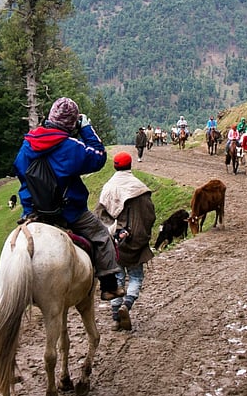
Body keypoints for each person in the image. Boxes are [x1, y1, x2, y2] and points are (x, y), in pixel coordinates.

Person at [13, 97, 125, 301]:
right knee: (101, 235)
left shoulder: (28, 143)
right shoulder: (70, 146)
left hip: (33, 211)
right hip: (68, 212)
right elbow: (99, 156)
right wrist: (86, 130)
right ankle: (109, 285)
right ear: (73, 123)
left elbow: (19, 168)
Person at [93, 152, 155, 331]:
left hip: (114, 244)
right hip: (136, 243)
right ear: (130, 165)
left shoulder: (108, 188)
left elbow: (100, 216)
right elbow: (149, 215)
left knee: (117, 278)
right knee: (136, 276)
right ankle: (126, 306)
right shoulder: (140, 188)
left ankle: (115, 318)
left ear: (115, 166)